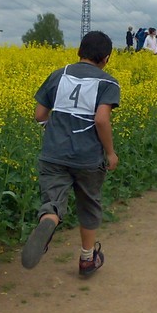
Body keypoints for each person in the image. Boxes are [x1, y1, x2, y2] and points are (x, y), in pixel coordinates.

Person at [22, 31, 120, 277]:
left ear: (79, 51)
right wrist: (110, 153)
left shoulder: (59, 75)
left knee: (53, 201)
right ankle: (87, 259)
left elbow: (39, 115)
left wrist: (52, 129)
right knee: (88, 204)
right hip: (88, 158)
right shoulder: (108, 82)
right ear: (106, 58)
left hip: (53, 153)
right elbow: (101, 120)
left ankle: (49, 219)